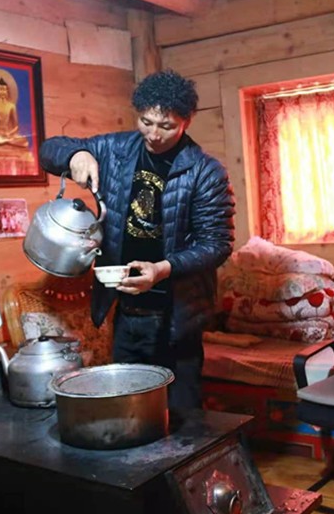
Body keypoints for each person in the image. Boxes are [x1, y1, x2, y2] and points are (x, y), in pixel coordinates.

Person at [39, 69, 235, 409]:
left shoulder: (206, 172)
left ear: (186, 121)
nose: (154, 135)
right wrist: (76, 155)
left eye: (166, 126)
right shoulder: (114, 149)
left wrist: (161, 269)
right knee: (129, 406)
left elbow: (217, 244)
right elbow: (49, 149)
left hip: (178, 316)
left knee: (182, 413)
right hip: (127, 310)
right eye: (146, 122)